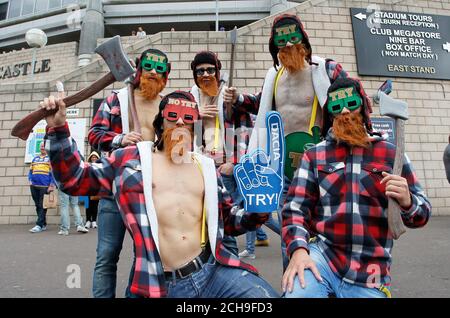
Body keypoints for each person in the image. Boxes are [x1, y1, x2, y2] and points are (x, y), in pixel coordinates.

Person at [41, 90, 279, 298]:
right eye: (172, 116)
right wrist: (59, 130)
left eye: (188, 119)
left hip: (212, 272)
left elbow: (227, 220)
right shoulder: (130, 161)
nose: (180, 124)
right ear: (160, 122)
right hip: (160, 283)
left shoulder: (206, 167)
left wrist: (256, 211)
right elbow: (74, 179)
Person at [281, 77, 431, 298]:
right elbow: (295, 209)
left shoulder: (391, 154)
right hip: (323, 259)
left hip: (370, 272)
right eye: (335, 106)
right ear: (329, 113)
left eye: (351, 103)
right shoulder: (315, 155)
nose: (343, 111)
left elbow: (422, 215)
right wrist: (299, 250)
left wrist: (409, 201)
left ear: (363, 107)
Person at [224, 13, 348, 268]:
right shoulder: (274, 76)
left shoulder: (325, 69)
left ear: (303, 39)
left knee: (325, 231)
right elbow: (260, 104)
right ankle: (292, 287)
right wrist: (237, 99)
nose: (289, 45)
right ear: (275, 46)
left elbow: (351, 100)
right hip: (282, 169)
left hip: (319, 165)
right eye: (282, 41)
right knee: (290, 234)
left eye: (293, 38)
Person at [88, 48, 171, 297]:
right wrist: (120, 139)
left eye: (160, 69)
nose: (153, 72)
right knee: (106, 255)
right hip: (114, 188)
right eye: (148, 66)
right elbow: (94, 135)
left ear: (166, 75)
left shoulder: (167, 105)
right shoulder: (117, 99)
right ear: (138, 69)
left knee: (144, 254)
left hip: (147, 191)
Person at [190, 51, 255, 256]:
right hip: (200, 167)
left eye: (210, 70)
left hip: (224, 168)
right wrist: (195, 115)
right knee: (205, 219)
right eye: (200, 71)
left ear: (217, 72)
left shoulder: (228, 96)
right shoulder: (191, 98)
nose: (206, 74)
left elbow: (245, 128)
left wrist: (234, 162)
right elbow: (178, 128)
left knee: (228, 219)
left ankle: (233, 260)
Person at [28, 141, 55, 233]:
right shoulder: (35, 158)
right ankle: (43, 224)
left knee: (42, 205)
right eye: (41, 146)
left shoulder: (50, 159)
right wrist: (30, 180)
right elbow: (30, 171)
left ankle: (38, 225)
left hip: (44, 186)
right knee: (37, 205)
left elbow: (53, 173)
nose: (42, 148)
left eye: (44, 146)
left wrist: (52, 184)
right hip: (34, 185)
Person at [85, 151, 101, 229]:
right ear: (90, 158)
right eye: (92, 157)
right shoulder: (87, 166)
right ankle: (88, 220)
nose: (94, 158)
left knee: (95, 205)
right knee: (87, 205)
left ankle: (94, 220)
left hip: (95, 188)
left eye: (95, 157)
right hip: (87, 188)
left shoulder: (100, 166)